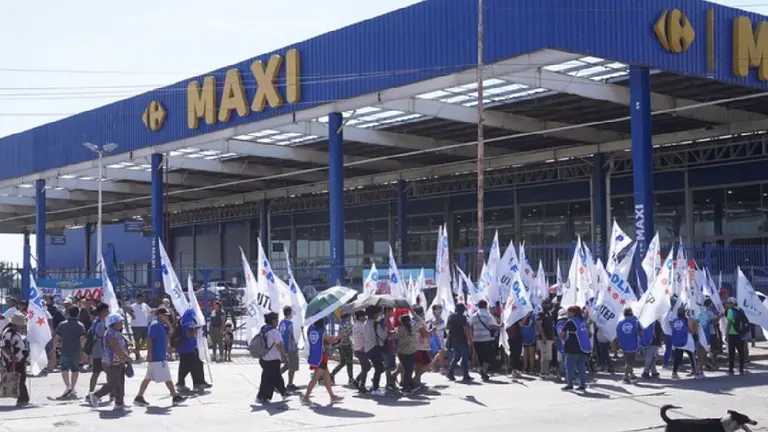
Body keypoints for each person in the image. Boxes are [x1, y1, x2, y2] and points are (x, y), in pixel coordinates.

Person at [133, 308, 186, 406]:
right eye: (165, 315)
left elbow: (171, 332)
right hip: (157, 356)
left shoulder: (162, 325)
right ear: (159, 314)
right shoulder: (155, 325)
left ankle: (139, 397)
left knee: (148, 378)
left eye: (167, 315)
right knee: (167, 377)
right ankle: (175, 396)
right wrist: (149, 354)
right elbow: (150, 340)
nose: (167, 316)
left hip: (161, 355)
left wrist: (168, 323)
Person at [89, 313, 132, 411]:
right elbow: (115, 347)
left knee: (120, 384)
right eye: (120, 321)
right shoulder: (111, 333)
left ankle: (119, 403)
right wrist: (127, 357)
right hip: (112, 362)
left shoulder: (116, 332)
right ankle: (96, 395)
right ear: (114, 323)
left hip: (119, 361)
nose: (122, 323)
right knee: (113, 383)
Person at [302, 319, 343, 404]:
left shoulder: (310, 328)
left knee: (327, 377)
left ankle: (332, 396)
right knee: (315, 378)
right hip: (321, 356)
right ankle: (306, 396)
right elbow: (331, 340)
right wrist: (339, 336)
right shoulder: (322, 330)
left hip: (314, 354)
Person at [54, 305, 86, 399]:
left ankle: (67, 386)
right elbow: (82, 339)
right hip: (76, 351)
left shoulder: (62, 324)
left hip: (64, 350)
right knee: (75, 370)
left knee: (64, 369)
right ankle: (72, 388)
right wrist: (84, 352)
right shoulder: (80, 325)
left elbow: (57, 338)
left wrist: (53, 349)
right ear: (78, 313)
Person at [256, 312, 288, 404]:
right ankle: (283, 392)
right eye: (277, 320)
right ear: (273, 321)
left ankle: (263, 396)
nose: (278, 321)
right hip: (273, 359)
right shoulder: (274, 332)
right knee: (276, 377)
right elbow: (279, 345)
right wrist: (284, 355)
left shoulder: (263, 329)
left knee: (267, 377)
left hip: (264, 358)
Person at [176, 308, 211, 392]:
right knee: (189, 366)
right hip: (186, 348)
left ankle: (198, 382)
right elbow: (189, 334)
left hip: (189, 347)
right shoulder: (187, 322)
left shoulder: (185, 321)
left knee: (194, 365)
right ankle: (193, 384)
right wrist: (197, 329)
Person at [0, 312, 30, 407]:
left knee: (21, 378)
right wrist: (12, 356)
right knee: (19, 378)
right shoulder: (9, 332)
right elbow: (5, 346)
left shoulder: (17, 331)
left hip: (20, 360)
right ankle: (23, 399)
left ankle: (23, 398)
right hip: (13, 360)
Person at [559, 306, 591, 391]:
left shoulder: (570, 322)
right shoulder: (582, 321)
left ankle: (570, 384)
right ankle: (582, 384)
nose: (567, 314)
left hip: (572, 347)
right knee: (581, 367)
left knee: (569, 366)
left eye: (569, 312)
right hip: (583, 347)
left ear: (573, 313)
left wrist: (563, 340)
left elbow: (562, 334)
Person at [471, 300, 500, 382]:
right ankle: (483, 371)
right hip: (486, 339)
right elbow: (491, 325)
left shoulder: (473, 316)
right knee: (490, 356)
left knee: (481, 357)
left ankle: (482, 370)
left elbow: (471, 327)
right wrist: (500, 326)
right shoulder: (487, 315)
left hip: (476, 339)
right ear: (485, 306)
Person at [364, 306, 389, 395]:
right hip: (374, 348)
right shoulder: (376, 324)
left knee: (380, 368)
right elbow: (383, 336)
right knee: (379, 368)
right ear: (375, 314)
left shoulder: (365, 323)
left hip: (368, 348)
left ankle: (374, 383)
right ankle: (375, 388)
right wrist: (385, 328)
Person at [87, 303, 110, 396]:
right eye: (107, 310)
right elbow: (103, 337)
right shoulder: (100, 324)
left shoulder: (97, 322)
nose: (108, 312)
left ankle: (91, 392)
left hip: (98, 351)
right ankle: (93, 393)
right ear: (103, 312)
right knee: (106, 372)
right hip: (100, 352)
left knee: (97, 372)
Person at [447, 303, 473, 382]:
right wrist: (469, 339)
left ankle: (450, 373)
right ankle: (466, 375)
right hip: (462, 339)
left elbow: (447, 327)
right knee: (465, 358)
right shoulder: (463, 318)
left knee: (456, 357)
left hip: (453, 340)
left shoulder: (450, 317)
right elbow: (465, 329)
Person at [616, 307, 642, 383]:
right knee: (630, 362)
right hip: (633, 344)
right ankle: (626, 377)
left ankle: (632, 375)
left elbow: (617, 335)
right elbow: (641, 334)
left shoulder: (620, 323)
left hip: (623, 345)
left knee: (628, 361)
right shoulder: (636, 322)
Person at [670, 307, 698, 379]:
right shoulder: (686, 320)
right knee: (692, 355)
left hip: (678, 341)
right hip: (687, 341)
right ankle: (695, 371)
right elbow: (691, 330)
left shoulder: (674, 321)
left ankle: (674, 373)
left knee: (678, 357)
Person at [395, 315, 419, 393]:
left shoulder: (400, 329)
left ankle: (408, 386)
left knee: (407, 370)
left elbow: (395, 335)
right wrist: (414, 313)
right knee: (409, 370)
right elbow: (419, 320)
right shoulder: (414, 327)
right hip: (412, 351)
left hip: (402, 352)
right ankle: (407, 386)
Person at [278, 306, 300, 391]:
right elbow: (294, 336)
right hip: (291, 348)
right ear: (290, 313)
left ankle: (275, 377)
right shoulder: (291, 324)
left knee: (287, 365)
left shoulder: (282, 322)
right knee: (292, 366)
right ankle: (289, 383)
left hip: (284, 347)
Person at [330, 312, 355, 387]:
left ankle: (332, 374)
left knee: (343, 362)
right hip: (346, 344)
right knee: (349, 362)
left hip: (341, 344)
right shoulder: (347, 323)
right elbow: (348, 334)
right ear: (348, 315)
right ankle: (351, 379)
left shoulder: (342, 322)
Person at [725, 297, 747, 375]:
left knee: (731, 353)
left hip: (732, 334)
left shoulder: (730, 311)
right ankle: (741, 369)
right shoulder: (741, 310)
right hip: (740, 334)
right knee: (741, 352)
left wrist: (726, 334)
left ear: (733, 303)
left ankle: (731, 370)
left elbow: (729, 323)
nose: (727, 304)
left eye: (729, 303)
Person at [410, 305, 432, 387]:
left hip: (417, 346)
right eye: (423, 312)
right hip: (420, 347)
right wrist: (426, 346)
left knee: (420, 365)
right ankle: (415, 380)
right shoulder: (419, 322)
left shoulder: (414, 321)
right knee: (425, 365)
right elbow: (424, 334)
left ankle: (416, 380)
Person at [128, 294, 151, 361]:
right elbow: (128, 310)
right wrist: (132, 315)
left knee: (145, 339)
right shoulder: (133, 306)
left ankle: (137, 350)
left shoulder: (145, 305)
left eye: (142, 298)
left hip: (145, 325)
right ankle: (137, 355)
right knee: (137, 340)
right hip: (136, 325)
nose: (141, 300)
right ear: (137, 299)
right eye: (140, 299)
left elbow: (150, 311)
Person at [351, 310, 370, 393]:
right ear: (360, 317)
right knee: (366, 367)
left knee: (366, 367)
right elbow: (367, 336)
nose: (365, 317)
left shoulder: (356, 325)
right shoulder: (361, 326)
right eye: (364, 316)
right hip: (361, 349)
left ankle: (357, 381)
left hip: (358, 348)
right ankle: (361, 385)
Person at [535, 301, 555, 379]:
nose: (546, 305)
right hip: (544, 338)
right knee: (545, 355)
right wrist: (543, 336)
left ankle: (545, 372)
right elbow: (538, 324)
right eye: (544, 304)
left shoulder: (550, 314)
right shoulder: (541, 314)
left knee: (547, 356)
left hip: (549, 338)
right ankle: (545, 372)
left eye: (547, 303)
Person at [426, 305, 446, 372]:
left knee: (441, 352)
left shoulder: (440, 318)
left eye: (440, 309)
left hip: (440, 336)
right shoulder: (434, 318)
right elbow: (435, 326)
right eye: (438, 309)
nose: (440, 311)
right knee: (441, 352)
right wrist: (437, 315)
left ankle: (437, 366)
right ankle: (436, 366)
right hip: (437, 337)